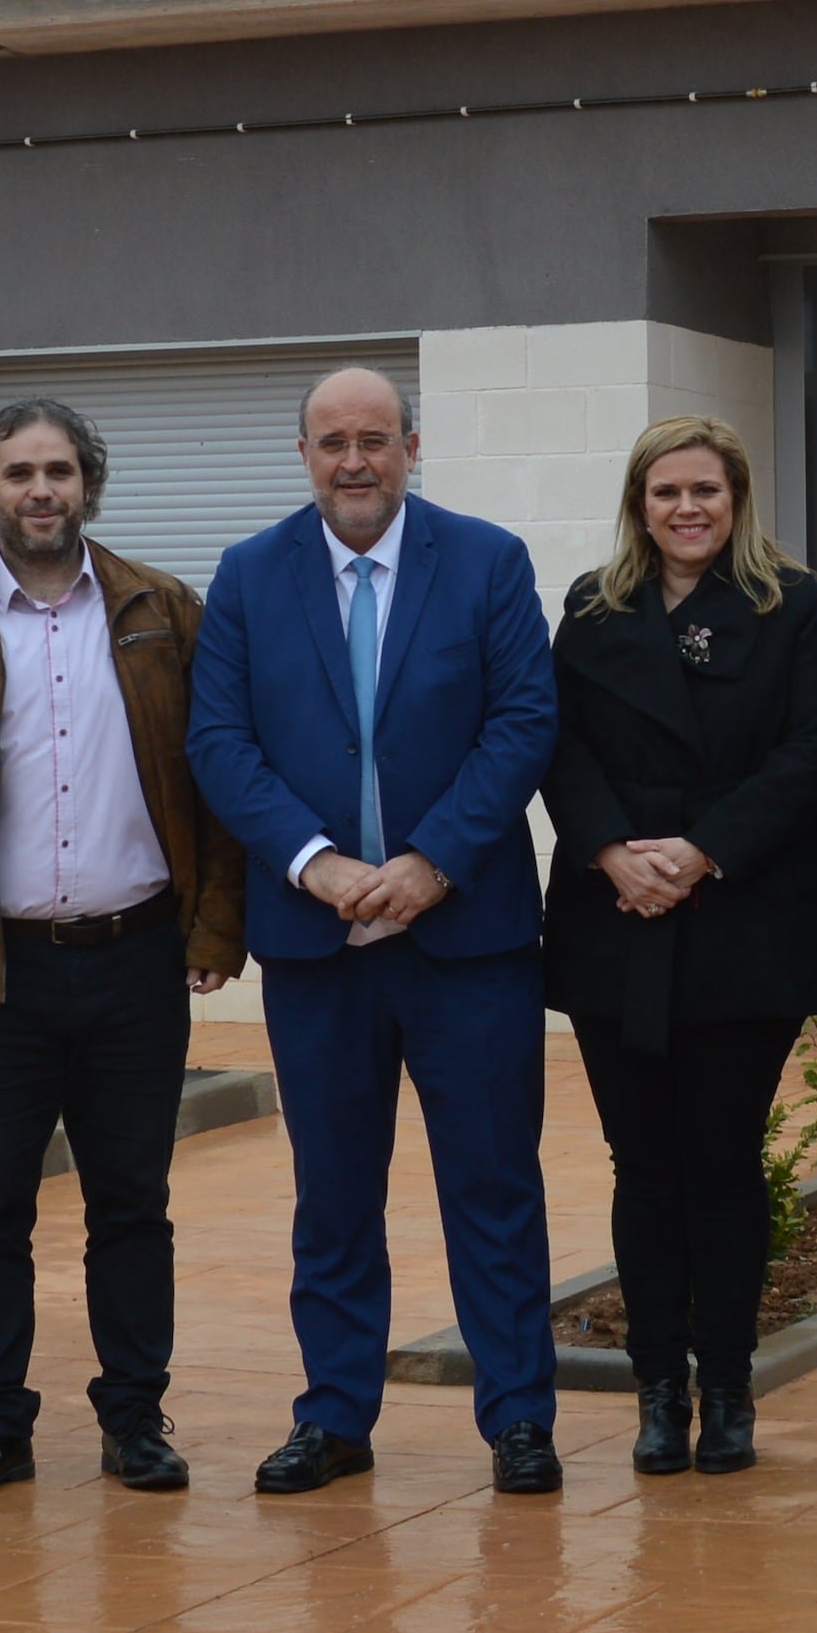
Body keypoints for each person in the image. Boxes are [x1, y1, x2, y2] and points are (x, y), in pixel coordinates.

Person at [0, 400, 248, 1503]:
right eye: (19, 471)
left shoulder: (163, 613)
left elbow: (218, 777)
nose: (41, 490)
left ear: (88, 484)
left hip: (134, 961)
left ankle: (134, 1418)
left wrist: (217, 924)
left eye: (60, 470)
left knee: (132, 1201)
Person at [188, 363, 568, 1498]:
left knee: (493, 1188)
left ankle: (517, 1420)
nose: (353, 461)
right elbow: (218, 742)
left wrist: (430, 862)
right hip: (319, 949)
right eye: (329, 442)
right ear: (302, 454)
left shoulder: (487, 561)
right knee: (333, 1194)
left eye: (373, 439)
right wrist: (320, 865)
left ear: (411, 445)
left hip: (468, 945)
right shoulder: (251, 576)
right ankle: (334, 1414)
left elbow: (523, 721)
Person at [544, 418, 817, 1478]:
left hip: (742, 923)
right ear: (640, 503)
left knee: (719, 1166)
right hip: (614, 918)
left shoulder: (792, 605)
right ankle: (654, 1390)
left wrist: (704, 850)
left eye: (706, 493)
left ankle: (726, 1388)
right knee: (644, 1167)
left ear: (737, 501)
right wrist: (608, 853)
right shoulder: (590, 608)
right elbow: (557, 741)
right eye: (666, 492)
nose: (687, 510)